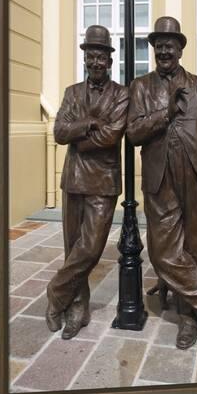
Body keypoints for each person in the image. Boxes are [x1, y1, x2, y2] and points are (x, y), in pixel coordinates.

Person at [127, 16, 197, 349]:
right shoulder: (141, 87)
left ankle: (191, 317)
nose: (163, 50)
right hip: (161, 180)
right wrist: (166, 113)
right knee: (163, 251)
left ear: (181, 48)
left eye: (169, 44)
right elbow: (133, 134)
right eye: (158, 45)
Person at [46, 25, 129, 339]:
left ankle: (56, 292)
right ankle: (76, 306)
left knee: (91, 248)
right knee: (73, 249)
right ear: (86, 58)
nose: (95, 62)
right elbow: (59, 132)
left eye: (101, 57)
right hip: (74, 180)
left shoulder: (122, 94)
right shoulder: (72, 92)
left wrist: (78, 137)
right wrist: (89, 123)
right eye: (91, 56)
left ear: (110, 60)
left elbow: (112, 137)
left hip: (103, 182)